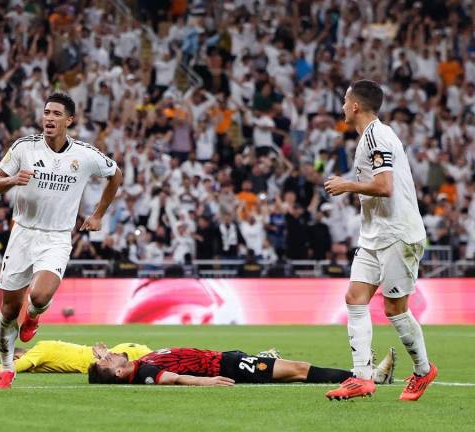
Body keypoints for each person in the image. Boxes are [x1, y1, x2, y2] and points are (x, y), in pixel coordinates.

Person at [0, 92, 123, 389]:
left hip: (57, 237)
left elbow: (116, 175)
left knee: (38, 297)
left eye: (56, 114)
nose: (49, 118)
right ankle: (7, 368)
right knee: (9, 310)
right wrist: (12, 180)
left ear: (69, 120)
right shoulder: (24, 147)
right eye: (46, 112)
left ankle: (34, 317)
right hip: (23, 233)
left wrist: (99, 214)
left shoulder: (85, 155)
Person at [324, 79, 436, 401]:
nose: (344, 107)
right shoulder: (366, 139)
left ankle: (423, 369)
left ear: (356, 106)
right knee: (354, 297)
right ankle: (361, 377)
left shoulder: (376, 136)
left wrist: (347, 185)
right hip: (374, 236)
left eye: (346, 101)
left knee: (395, 310)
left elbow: (385, 186)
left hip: (399, 234)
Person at [88, 346, 396, 388]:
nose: (111, 354)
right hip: (230, 366)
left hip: (230, 358)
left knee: (293, 368)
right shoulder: (144, 374)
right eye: (108, 359)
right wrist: (206, 383)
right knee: (300, 369)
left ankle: (264, 356)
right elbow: (174, 378)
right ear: (117, 372)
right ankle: (369, 377)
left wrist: (102, 353)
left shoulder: (139, 363)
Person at [0, 341, 153, 374]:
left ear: (20, 355)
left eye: (16, 359)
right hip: (112, 355)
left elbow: (11, 369)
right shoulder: (44, 350)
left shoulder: (40, 350)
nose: (16, 362)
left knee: (163, 361)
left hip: (110, 358)